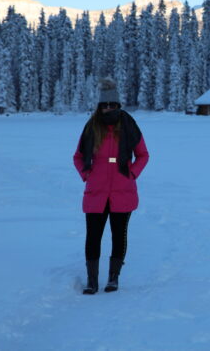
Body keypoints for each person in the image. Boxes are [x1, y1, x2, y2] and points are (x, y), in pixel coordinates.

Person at [73, 78, 149, 294]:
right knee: (93, 236)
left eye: (112, 105)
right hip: (96, 193)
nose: (108, 109)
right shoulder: (91, 127)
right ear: (99, 106)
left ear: (118, 105)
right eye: (104, 105)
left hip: (122, 192)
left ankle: (113, 278)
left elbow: (143, 155)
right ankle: (92, 280)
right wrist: (87, 174)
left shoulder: (129, 125)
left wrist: (132, 173)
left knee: (119, 235)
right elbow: (78, 156)